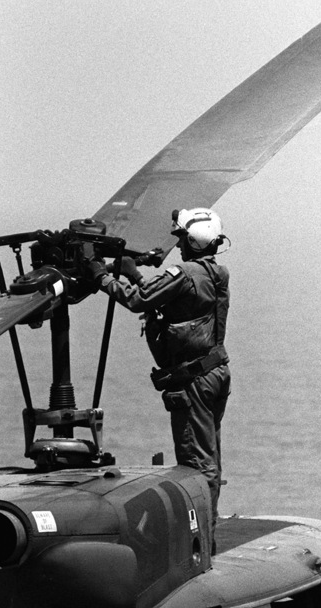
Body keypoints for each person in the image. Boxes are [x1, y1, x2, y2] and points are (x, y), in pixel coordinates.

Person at [89, 207, 231, 534]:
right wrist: (135, 273)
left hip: (194, 381)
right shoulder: (216, 274)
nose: (178, 245)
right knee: (211, 456)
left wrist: (101, 276)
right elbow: (174, 302)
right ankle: (211, 522)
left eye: (182, 238)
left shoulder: (183, 273)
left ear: (193, 241)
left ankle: (202, 542)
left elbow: (139, 301)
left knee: (197, 464)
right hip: (216, 373)